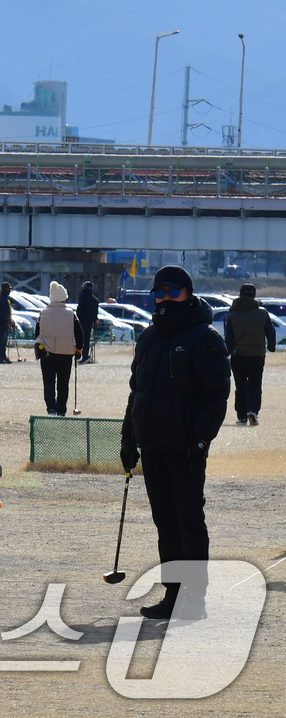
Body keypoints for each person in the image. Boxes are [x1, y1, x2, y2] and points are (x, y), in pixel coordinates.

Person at [120, 266, 230, 620]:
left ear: (187, 293)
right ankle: (174, 593)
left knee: (188, 520)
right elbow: (137, 390)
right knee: (165, 521)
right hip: (152, 445)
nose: (165, 298)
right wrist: (128, 438)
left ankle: (194, 597)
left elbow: (214, 397)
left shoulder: (206, 338)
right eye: (159, 292)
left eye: (172, 291)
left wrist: (201, 441)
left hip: (185, 448)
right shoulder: (150, 337)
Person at [224, 283, 276, 426]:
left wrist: (226, 352)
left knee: (240, 386)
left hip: (238, 355)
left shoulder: (233, 314)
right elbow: (270, 332)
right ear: (254, 295)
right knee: (254, 384)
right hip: (257, 355)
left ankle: (241, 416)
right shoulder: (262, 313)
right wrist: (271, 346)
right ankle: (253, 410)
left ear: (240, 295)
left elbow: (229, 336)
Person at [34, 282, 85, 416]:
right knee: (63, 383)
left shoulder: (43, 313)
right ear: (64, 298)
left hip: (47, 353)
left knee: (49, 382)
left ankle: (51, 408)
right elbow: (79, 334)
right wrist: (79, 349)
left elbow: (37, 333)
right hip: (66, 353)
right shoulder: (71, 314)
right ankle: (61, 409)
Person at [76, 281, 100, 364]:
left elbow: (79, 311)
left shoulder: (82, 298)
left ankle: (82, 355)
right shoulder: (95, 300)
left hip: (81, 322)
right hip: (90, 323)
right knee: (86, 340)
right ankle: (85, 355)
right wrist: (95, 322)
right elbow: (95, 314)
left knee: (80, 339)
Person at [0, 282, 14, 364]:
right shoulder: (2, 299)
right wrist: (6, 322)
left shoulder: (3, 298)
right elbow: (2, 313)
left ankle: (3, 356)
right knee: (0, 341)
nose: (9, 291)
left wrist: (10, 321)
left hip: (2, 323)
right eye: (8, 289)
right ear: (4, 290)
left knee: (3, 341)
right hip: (1, 324)